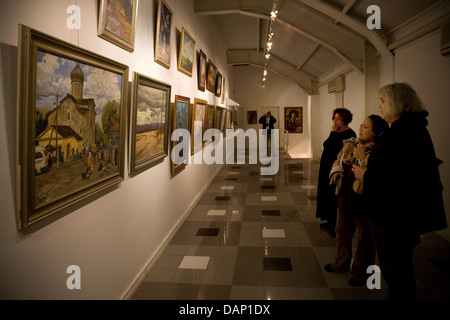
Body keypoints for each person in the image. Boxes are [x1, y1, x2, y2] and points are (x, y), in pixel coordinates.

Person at [352, 83, 447, 300]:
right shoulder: (406, 129)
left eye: (383, 100)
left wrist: (366, 174)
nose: (380, 105)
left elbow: (402, 178)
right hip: (393, 215)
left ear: (398, 102)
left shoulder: (406, 132)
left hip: (395, 217)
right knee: (396, 270)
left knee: (397, 271)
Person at [324, 115, 389, 286]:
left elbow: (374, 175)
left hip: (364, 202)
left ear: (376, 132)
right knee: (342, 232)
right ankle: (340, 263)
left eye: (365, 127)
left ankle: (360, 273)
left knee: (365, 239)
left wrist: (362, 158)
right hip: (345, 197)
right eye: (360, 125)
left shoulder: (378, 150)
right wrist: (337, 171)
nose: (360, 129)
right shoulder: (350, 144)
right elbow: (338, 159)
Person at [316, 108, 356, 237]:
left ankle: (335, 223)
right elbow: (326, 145)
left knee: (334, 194)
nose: (335, 121)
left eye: (338, 118)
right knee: (326, 192)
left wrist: (333, 133)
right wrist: (333, 132)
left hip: (336, 168)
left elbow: (333, 148)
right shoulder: (335, 132)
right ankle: (328, 219)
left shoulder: (349, 134)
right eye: (334, 118)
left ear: (345, 119)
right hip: (326, 167)